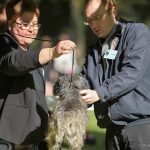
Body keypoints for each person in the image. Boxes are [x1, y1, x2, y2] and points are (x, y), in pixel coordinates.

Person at [0, 0, 76, 150]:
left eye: (35, 24)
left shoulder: (28, 52)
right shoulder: (4, 43)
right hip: (9, 138)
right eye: (25, 23)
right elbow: (13, 62)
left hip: (33, 136)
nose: (31, 29)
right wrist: (51, 52)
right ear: (10, 24)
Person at [80, 0, 150, 150]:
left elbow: (132, 72)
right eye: (88, 20)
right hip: (111, 129)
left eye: (97, 17)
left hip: (140, 127)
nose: (93, 25)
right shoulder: (94, 51)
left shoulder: (137, 32)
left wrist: (99, 93)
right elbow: (84, 81)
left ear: (112, 10)